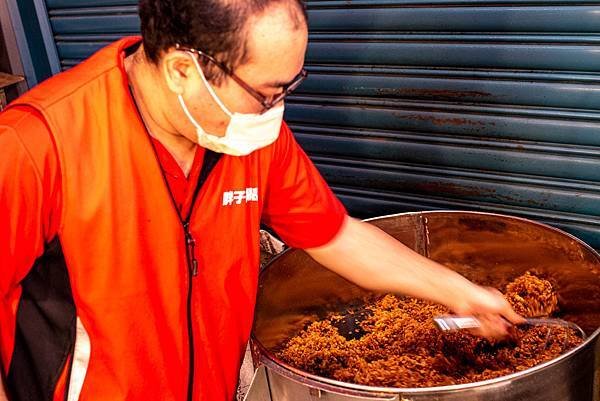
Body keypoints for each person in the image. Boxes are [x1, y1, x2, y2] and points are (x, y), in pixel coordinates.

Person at [0, 1, 522, 400]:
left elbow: (333, 233)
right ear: (184, 69)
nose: (277, 109)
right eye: (268, 92)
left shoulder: (246, 135)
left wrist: (461, 293)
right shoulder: (35, 147)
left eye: (290, 85)